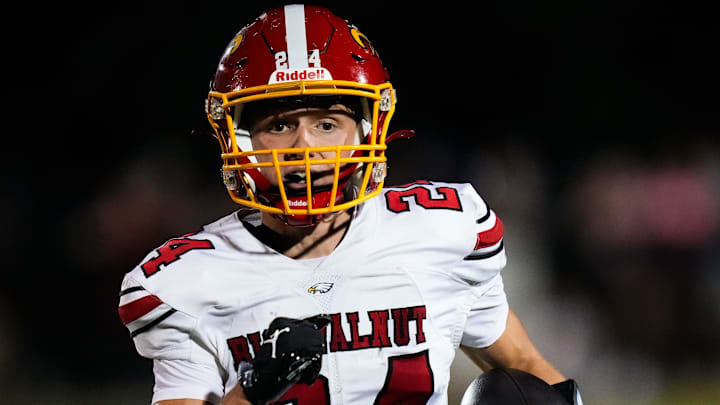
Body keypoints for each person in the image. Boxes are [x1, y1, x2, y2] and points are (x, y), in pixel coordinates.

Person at [118, 4, 582, 405]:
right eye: (279, 125)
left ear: (366, 129)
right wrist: (255, 389)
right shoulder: (186, 280)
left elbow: (528, 373)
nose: (304, 147)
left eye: (326, 124)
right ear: (239, 138)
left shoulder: (443, 231)